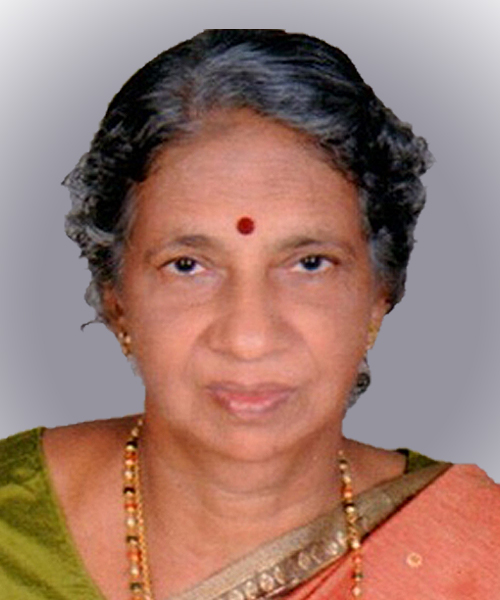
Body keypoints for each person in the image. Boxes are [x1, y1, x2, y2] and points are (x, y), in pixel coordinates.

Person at [0, 28, 499, 600]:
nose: (249, 337)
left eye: (309, 263)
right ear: (116, 298)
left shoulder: (478, 555)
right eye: (188, 265)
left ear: (378, 295)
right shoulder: (11, 534)